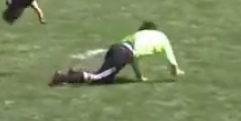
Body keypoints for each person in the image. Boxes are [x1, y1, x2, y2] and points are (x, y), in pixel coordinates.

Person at [50, 21, 184, 86]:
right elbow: (172, 62)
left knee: (105, 78)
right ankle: (61, 78)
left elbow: (133, 58)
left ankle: (73, 74)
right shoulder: (162, 38)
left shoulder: (138, 34)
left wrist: (139, 76)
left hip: (117, 48)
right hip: (124, 54)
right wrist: (176, 71)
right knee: (99, 79)